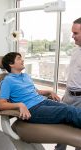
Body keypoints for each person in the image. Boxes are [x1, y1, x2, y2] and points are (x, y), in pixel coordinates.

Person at [0, 52, 81, 129]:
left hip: (43, 101)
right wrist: (20, 105)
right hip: (32, 109)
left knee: (70, 108)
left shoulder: (26, 76)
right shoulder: (7, 81)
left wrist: (50, 91)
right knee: (67, 111)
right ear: (11, 64)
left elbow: (36, 91)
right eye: (19, 58)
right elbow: (2, 105)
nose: (22, 60)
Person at [55, 17, 81, 150]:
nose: (72, 36)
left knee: (79, 133)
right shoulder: (76, 50)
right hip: (68, 95)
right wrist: (66, 94)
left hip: (80, 99)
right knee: (61, 126)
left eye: (75, 33)